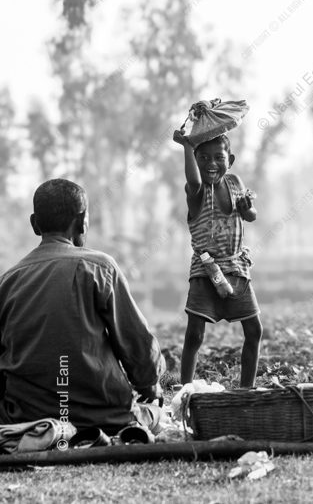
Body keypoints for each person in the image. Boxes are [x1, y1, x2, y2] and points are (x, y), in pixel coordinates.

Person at [0, 179, 165, 434]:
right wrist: (150, 386)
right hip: (103, 416)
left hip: (27, 418)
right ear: (82, 221)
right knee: (154, 413)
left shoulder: (8, 281)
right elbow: (136, 343)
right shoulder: (100, 267)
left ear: (34, 224)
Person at [173, 129, 263, 388]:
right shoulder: (197, 191)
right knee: (194, 335)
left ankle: (246, 389)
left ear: (230, 160)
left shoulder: (235, 183)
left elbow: (250, 216)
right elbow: (193, 179)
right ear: (195, 159)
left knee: (254, 331)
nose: (211, 164)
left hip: (236, 266)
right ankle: (186, 389)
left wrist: (249, 209)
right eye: (203, 158)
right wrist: (187, 147)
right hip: (206, 269)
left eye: (218, 158)